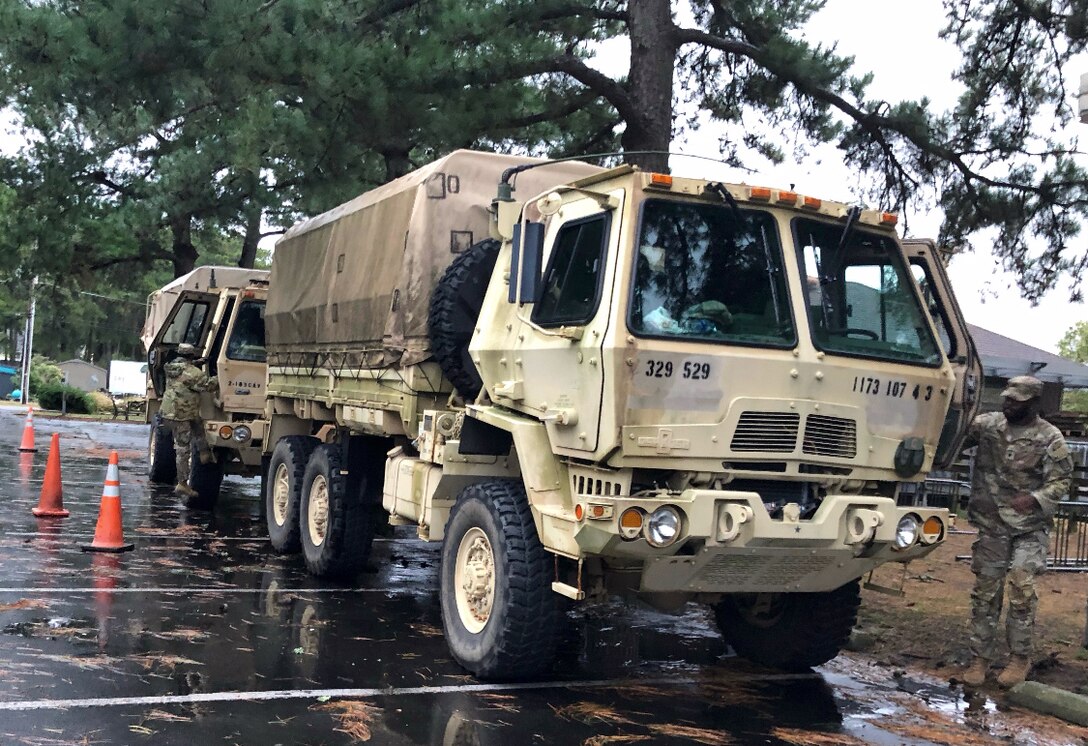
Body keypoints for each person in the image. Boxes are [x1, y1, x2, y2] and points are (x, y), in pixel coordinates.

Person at [957, 375, 1073, 688]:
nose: (1008, 404)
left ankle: (1019, 657)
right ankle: (980, 657)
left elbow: (1061, 482)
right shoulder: (988, 425)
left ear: (1034, 403)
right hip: (992, 524)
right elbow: (953, 437)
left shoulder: (1050, 437)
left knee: (1022, 586)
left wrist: (1035, 499)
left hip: (1029, 528)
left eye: (1016, 401)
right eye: (1007, 398)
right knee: (986, 592)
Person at [160, 343, 218, 499]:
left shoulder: (172, 367)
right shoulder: (194, 373)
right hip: (182, 414)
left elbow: (185, 374)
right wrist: (219, 377)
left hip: (170, 411)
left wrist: (198, 363)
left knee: (199, 427)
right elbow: (208, 386)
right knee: (182, 448)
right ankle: (182, 483)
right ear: (192, 356)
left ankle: (204, 453)